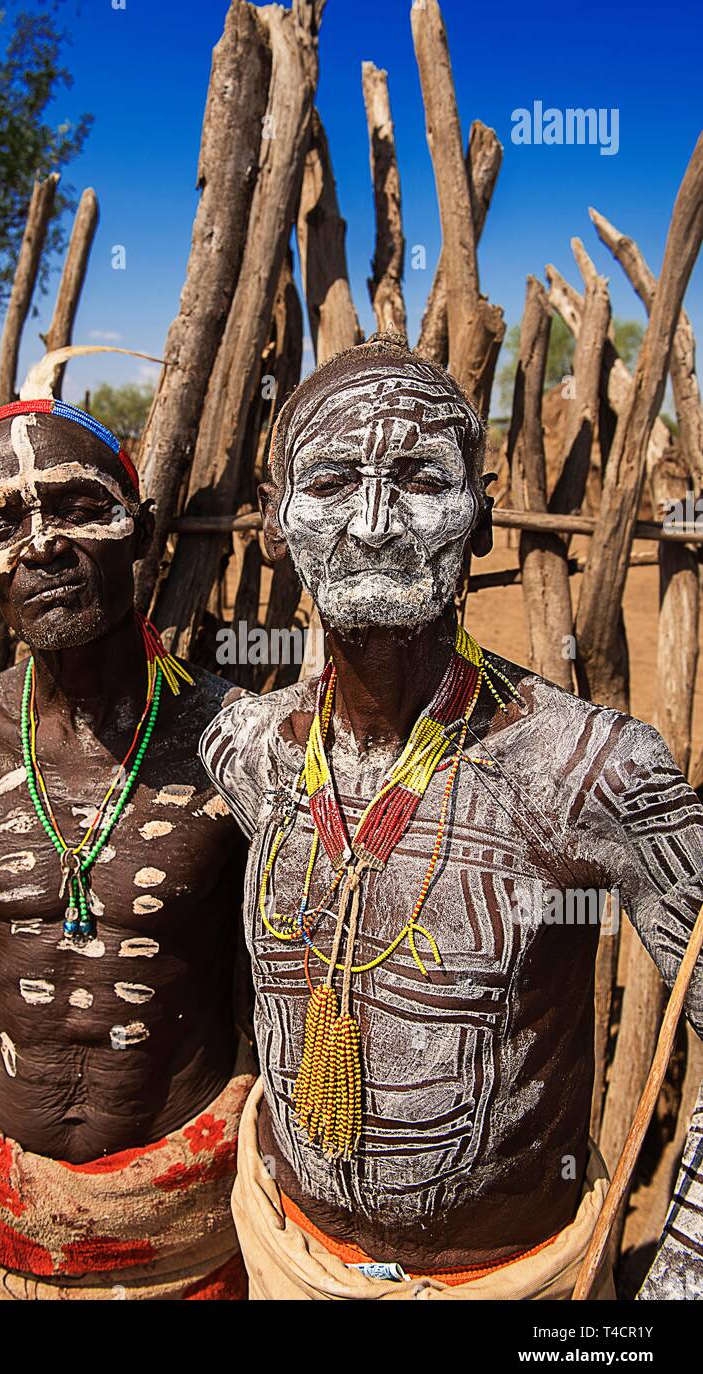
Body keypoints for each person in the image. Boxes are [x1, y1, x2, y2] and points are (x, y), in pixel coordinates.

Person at [199, 331, 703, 1300]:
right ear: (273, 522)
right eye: (333, 479)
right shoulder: (246, 748)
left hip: (517, 1280)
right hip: (285, 1251)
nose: (376, 520)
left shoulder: (586, 769)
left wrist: (679, 1271)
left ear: (478, 515)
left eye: (422, 479)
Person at [0, 393, 253, 1300]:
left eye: (80, 508)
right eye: (4, 523)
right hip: (0, 1227)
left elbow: (286, 1003)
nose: (42, 546)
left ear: (141, 531)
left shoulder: (237, 747)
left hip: (185, 1234)